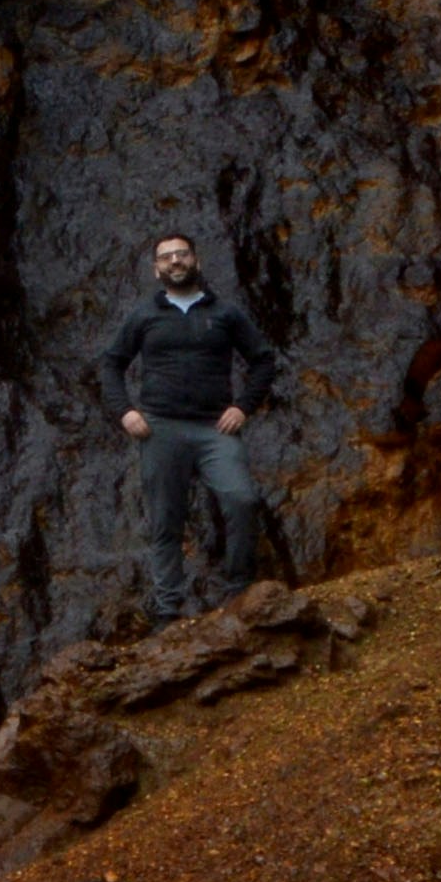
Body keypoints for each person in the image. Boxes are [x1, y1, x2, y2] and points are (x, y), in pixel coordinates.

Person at [110, 227, 272, 614]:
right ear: (156, 269)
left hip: (215, 428)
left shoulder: (225, 313)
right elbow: (111, 364)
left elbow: (263, 360)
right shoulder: (144, 315)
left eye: (182, 254)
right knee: (166, 520)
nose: (175, 261)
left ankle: (239, 591)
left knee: (242, 500)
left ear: (196, 260)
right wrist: (125, 410)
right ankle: (168, 607)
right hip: (161, 428)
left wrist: (244, 406)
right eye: (166, 257)